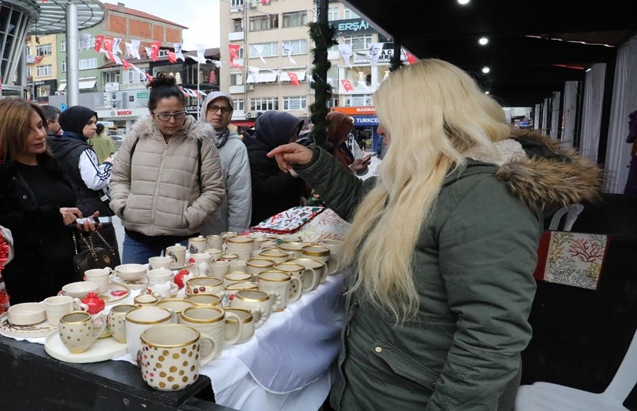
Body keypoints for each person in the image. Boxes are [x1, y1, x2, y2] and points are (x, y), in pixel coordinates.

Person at [269, 59, 601, 410]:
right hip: (377, 386)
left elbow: (490, 338)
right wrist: (315, 162)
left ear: (422, 119)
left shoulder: (484, 196)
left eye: (388, 119)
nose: (381, 130)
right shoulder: (426, 175)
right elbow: (365, 208)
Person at [0, 98, 96, 304]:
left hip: (69, 269)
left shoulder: (51, 165)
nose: (40, 135)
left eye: (40, 126)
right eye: (28, 130)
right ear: (8, 133)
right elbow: (0, 227)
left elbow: (65, 206)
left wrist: (79, 222)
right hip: (28, 279)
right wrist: (52, 217)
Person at [109, 75, 224, 264]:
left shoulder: (199, 141)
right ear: (152, 113)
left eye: (178, 114)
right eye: (164, 115)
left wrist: (191, 217)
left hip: (182, 238)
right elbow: (119, 177)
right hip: (137, 237)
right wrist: (123, 206)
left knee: (181, 289)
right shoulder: (137, 137)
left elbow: (215, 189)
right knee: (136, 289)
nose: (172, 120)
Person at [48, 106, 118, 250]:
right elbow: (95, 181)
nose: (94, 127)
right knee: (101, 260)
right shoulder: (82, 149)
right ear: (77, 124)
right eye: (89, 123)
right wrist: (108, 165)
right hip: (91, 212)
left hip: (68, 209)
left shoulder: (55, 145)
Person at [244, 110, 307, 226]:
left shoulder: (283, 151)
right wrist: (291, 173)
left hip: (285, 219)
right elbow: (260, 190)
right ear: (277, 132)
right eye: (291, 133)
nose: (295, 138)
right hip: (266, 223)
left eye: (296, 133)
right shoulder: (255, 154)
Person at [200, 92, 252, 234]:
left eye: (225, 109)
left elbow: (240, 195)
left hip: (216, 231)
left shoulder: (236, 147)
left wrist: (236, 235)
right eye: (213, 108)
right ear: (204, 109)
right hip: (181, 231)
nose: (218, 113)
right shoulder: (189, 139)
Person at [325, 111, 372, 175]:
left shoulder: (345, 142)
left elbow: (356, 161)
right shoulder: (320, 148)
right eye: (344, 134)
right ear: (336, 130)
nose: (346, 138)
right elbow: (328, 178)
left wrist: (360, 167)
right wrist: (351, 169)